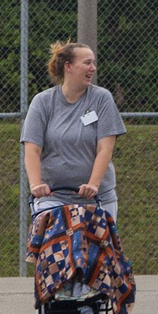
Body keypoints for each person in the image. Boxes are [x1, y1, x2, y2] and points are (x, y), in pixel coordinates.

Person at [21, 41, 127, 219]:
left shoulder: (102, 98)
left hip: (97, 199)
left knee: (99, 247)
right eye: (87, 63)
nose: (93, 68)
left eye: (93, 63)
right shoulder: (42, 102)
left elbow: (105, 148)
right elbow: (32, 149)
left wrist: (93, 185)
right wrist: (36, 185)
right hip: (53, 199)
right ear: (68, 67)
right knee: (56, 246)